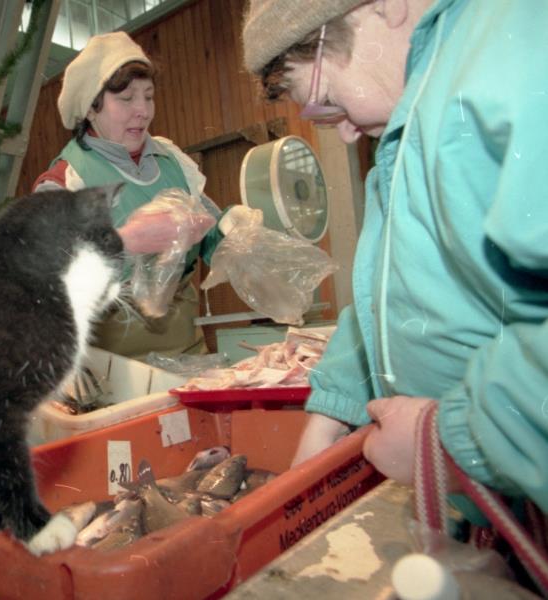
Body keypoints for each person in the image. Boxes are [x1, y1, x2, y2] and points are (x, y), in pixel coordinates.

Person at [241, 0, 547, 516]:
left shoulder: (514, 50)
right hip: (494, 502)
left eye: (327, 99)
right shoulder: (411, 122)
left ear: (386, 6)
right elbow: (390, 295)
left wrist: (453, 439)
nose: (344, 131)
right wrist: (333, 410)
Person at [34, 31, 256, 358]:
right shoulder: (65, 181)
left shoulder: (172, 161)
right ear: (91, 108)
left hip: (187, 355)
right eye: (126, 98)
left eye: (149, 96)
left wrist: (228, 232)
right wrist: (127, 242)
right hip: (110, 370)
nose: (143, 110)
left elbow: (208, 233)